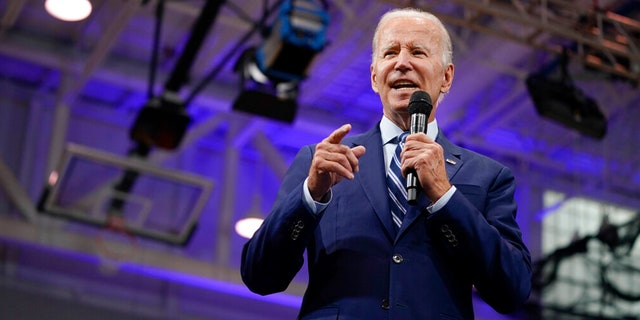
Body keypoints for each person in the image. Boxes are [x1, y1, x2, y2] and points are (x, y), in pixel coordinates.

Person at [241, 7, 532, 320]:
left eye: (418, 52)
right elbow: (260, 276)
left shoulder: (488, 176)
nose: (402, 62)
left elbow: (512, 290)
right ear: (374, 76)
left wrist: (445, 196)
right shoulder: (322, 161)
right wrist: (309, 196)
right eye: (390, 52)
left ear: (446, 77)